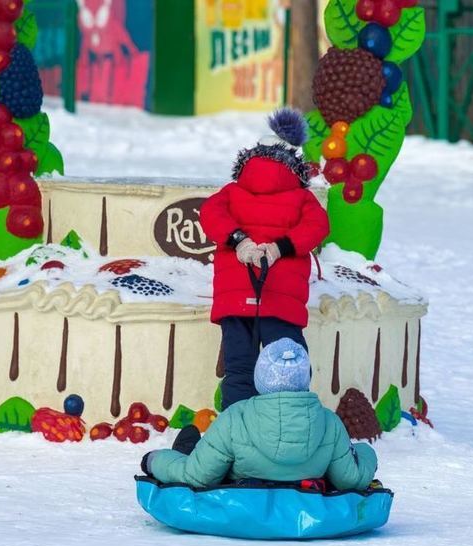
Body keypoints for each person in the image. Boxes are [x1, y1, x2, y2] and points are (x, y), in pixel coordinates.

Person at [199, 108, 330, 410]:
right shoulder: (301, 197)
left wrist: (238, 241)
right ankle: (288, 429)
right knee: (288, 369)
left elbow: (209, 214)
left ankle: (235, 434)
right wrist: (281, 247)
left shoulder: (231, 192)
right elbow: (318, 227)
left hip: (235, 298)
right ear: (294, 164)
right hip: (280, 300)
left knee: (239, 370)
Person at [141, 338, 377, 491]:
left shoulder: (236, 418)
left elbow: (196, 476)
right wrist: (366, 452)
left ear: (260, 378)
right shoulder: (330, 423)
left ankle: (185, 448)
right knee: (200, 447)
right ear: (305, 379)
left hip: (244, 498)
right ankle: (189, 445)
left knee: (193, 453)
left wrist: (153, 459)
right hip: (305, 488)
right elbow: (350, 479)